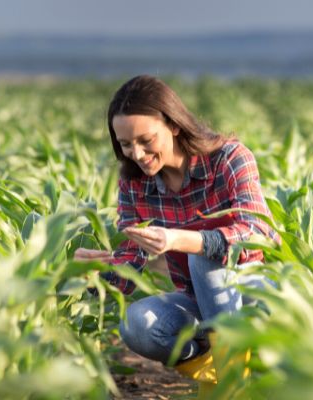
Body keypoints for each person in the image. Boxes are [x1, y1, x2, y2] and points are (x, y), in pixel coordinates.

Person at [73, 75, 278, 393]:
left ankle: (233, 385)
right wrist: (90, 272)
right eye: (125, 144)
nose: (137, 154)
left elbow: (259, 231)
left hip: (256, 292)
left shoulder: (229, 159)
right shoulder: (134, 184)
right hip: (199, 301)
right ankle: (222, 370)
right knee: (138, 325)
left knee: (203, 258)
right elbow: (129, 269)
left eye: (145, 140)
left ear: (174, 125)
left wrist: (179, 240)